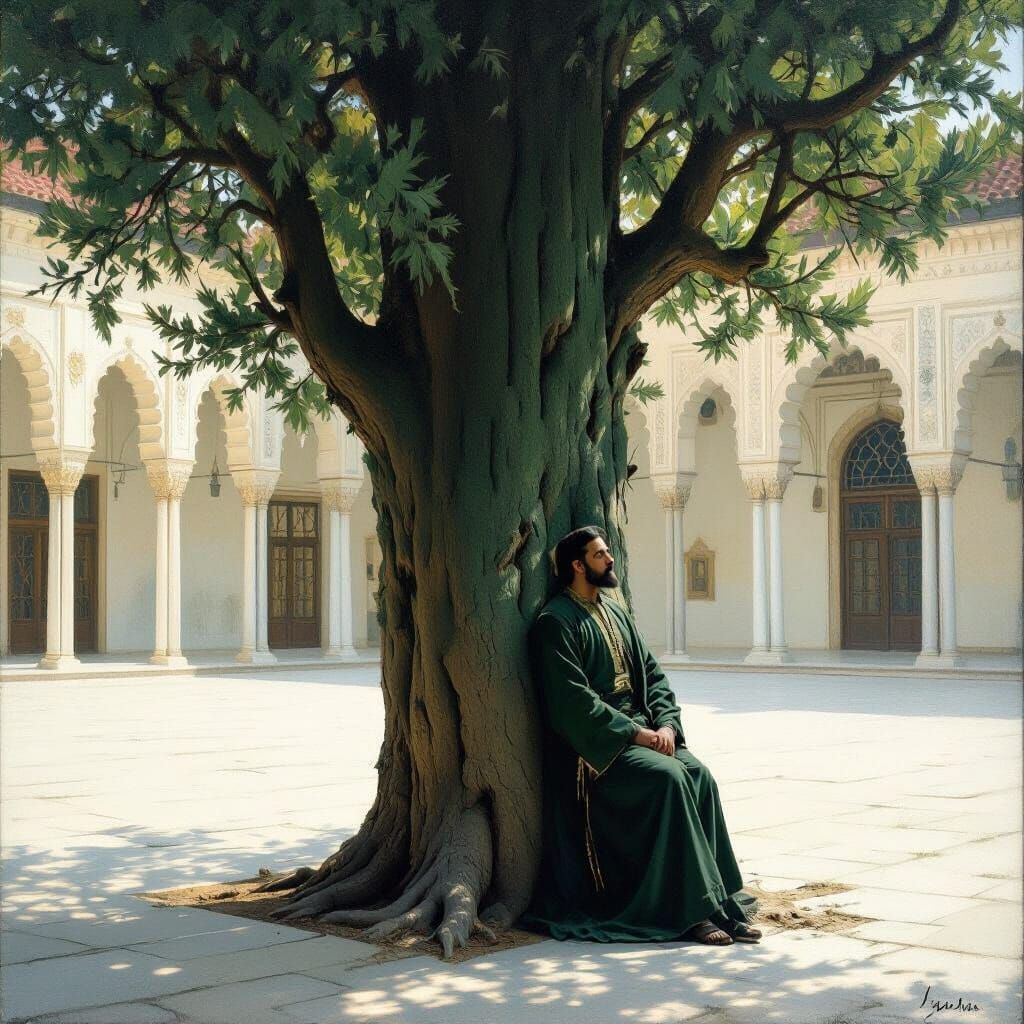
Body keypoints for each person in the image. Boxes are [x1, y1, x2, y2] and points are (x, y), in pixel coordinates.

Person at [522, 525, 761, 945]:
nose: (609, 559)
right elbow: (573, 705)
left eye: (607, 552)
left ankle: (720, 905)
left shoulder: (615, 610)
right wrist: (638, 735)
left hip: (646, 732)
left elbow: (654, 676)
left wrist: (666, 725)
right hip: (596, 749)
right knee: (668, 781)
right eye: (599, 555)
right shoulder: (554, 624)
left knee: (698, 775)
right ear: (577, 566)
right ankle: (690, 913)